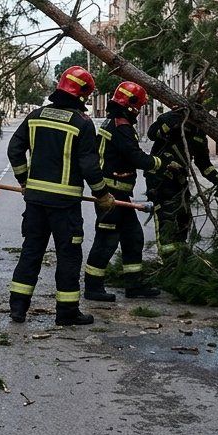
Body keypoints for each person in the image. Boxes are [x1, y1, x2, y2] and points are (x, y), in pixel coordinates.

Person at [6, 66, 110, 326]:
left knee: (31, 251)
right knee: (68, 256)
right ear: (83, 96)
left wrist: (24, 180)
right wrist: (102, 193)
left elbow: (14, 150)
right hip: (65, 206)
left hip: (35, 202)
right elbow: (89, 165)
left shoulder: (35, 116)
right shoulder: (82, 124)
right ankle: (66, 312)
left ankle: (18, 308)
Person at [84, 81, 164, 302]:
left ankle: (134, 285)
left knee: (133, 237)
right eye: (137, 106)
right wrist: (159, 163)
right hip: (111, 196)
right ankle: (92, 287)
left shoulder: (114, 122)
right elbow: (134, 156)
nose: (138, 111)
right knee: (106, 240)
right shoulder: (122, 127)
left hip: (119, 196)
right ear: (130, 105)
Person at [146, 93, 218, 256]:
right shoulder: (171, 118)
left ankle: (180, 256)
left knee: (184, 217)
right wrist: (171, 121)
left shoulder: (199, 133)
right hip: (160, 178)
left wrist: (215, 178)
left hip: (180, 181)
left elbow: (203, 162)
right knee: (166, 218)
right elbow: (152, 134)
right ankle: (167, 260)